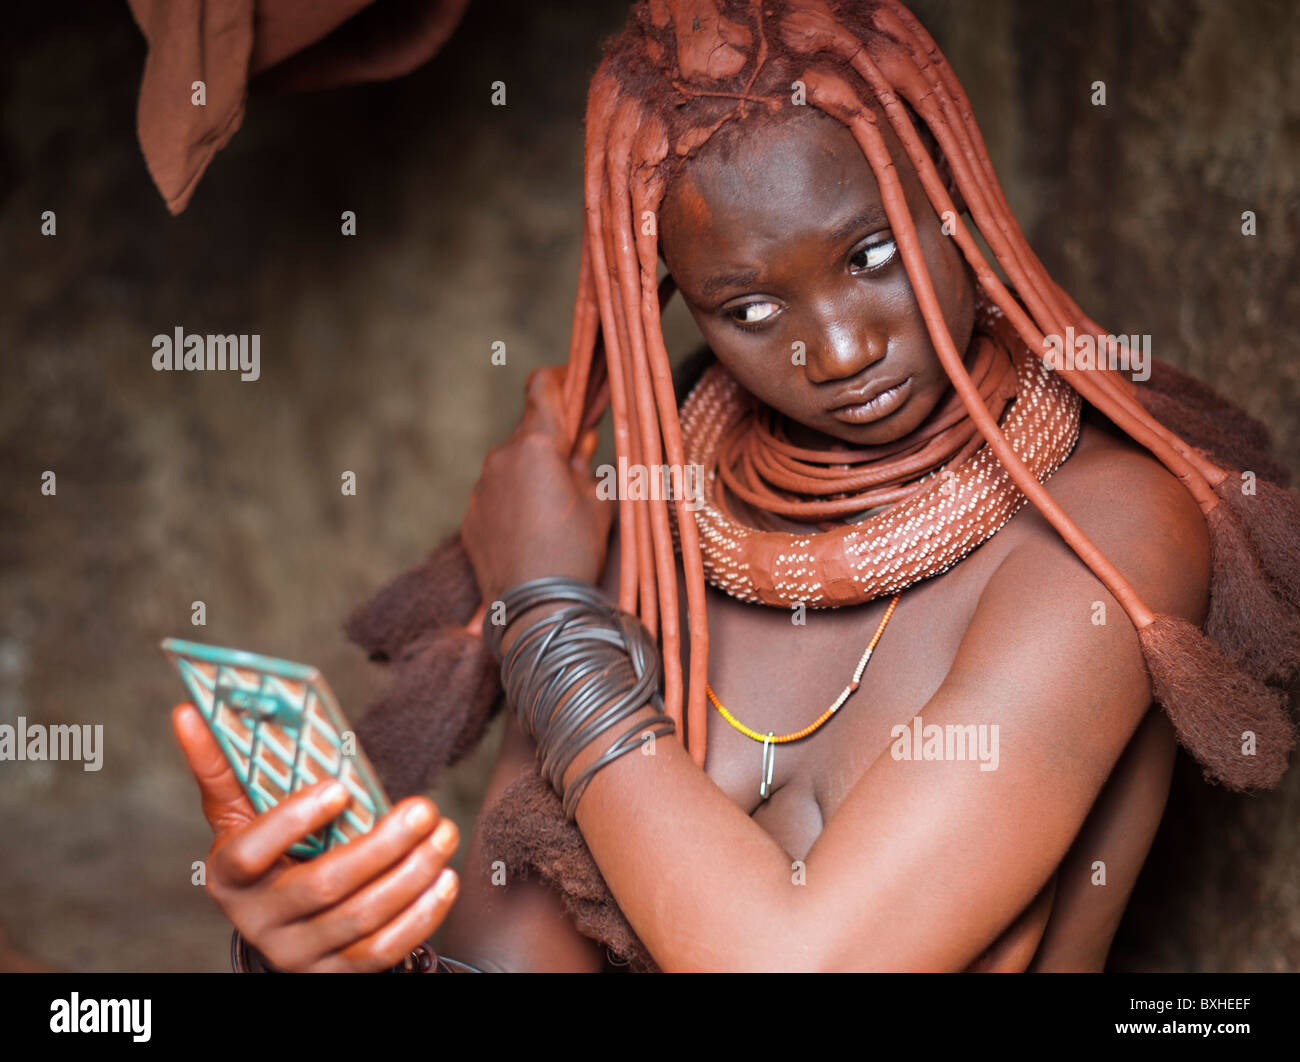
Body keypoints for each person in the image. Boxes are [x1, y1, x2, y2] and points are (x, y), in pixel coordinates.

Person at [172, 0, 1299, 973]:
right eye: (750, 310)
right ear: (678, 303)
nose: (841, 351)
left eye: (871, 255)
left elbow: (796, 962)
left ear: (948, 191)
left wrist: (547, 620)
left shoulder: (1103, 534)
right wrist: (328, 949)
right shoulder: (657, 529)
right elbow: (521, 955)